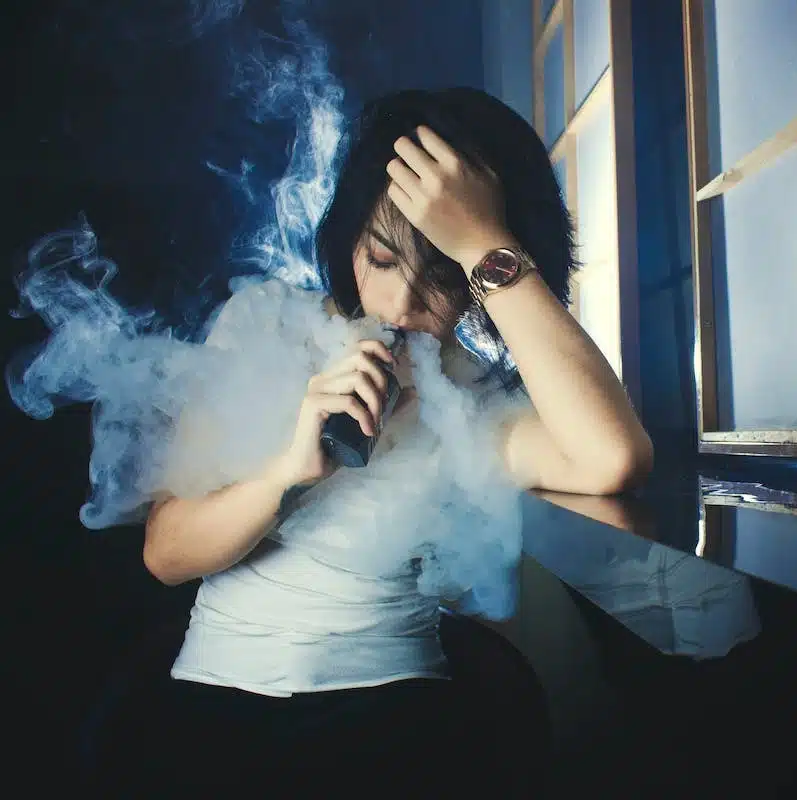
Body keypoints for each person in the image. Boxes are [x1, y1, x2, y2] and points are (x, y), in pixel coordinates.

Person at [82, 87, 654, 794]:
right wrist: (286, 474)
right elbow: (166, 556)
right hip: (212, 708)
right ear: (350, 234)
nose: (401, 306)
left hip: (390, 721)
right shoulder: (264, 322)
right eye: (382, 258)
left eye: (444, 277)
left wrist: (485, 242)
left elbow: (612, 460)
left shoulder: (474, 397)